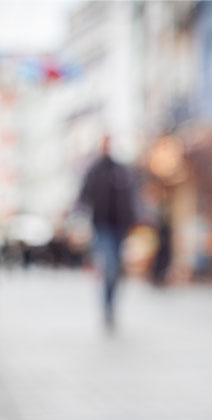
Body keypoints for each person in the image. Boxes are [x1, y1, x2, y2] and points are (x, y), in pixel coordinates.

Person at [78, 136, 136, 327]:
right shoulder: (95, 170)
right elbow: (83, 197)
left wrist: (133, 220)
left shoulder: (121, 170)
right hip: (102, 226)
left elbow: (131, 198)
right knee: (109, 266)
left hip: (120, 227)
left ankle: (111, 304)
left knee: (115, 269)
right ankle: (107, 306)